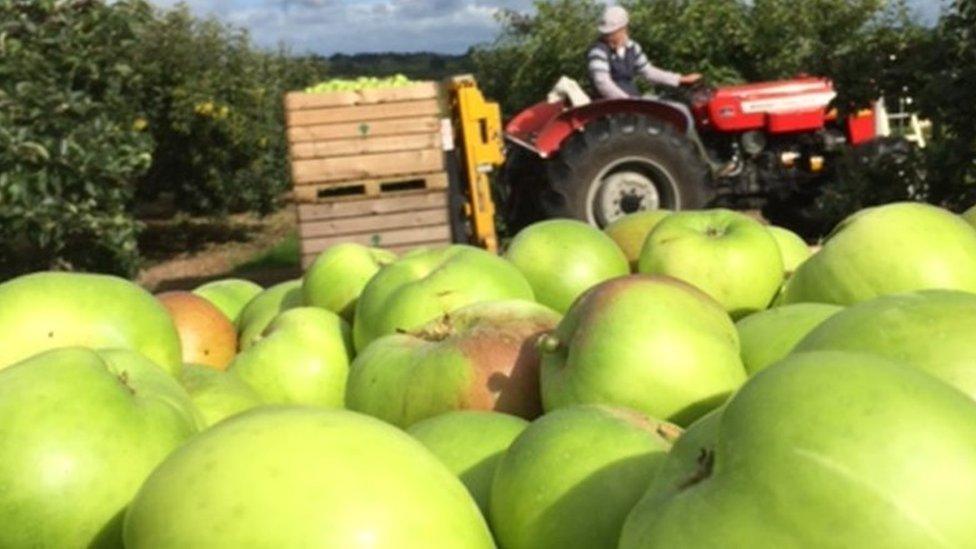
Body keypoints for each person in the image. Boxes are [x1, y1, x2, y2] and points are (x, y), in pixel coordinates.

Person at [588, 5, 702, 100]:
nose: (609, 37)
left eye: (612, 33)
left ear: (624, 29)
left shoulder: (633, 48)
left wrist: (679, 79)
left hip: (632, 101)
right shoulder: (598, 52)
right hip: (609, 107)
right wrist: (627, 102)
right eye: (607, 34)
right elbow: (603, 83)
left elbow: (649, 72)